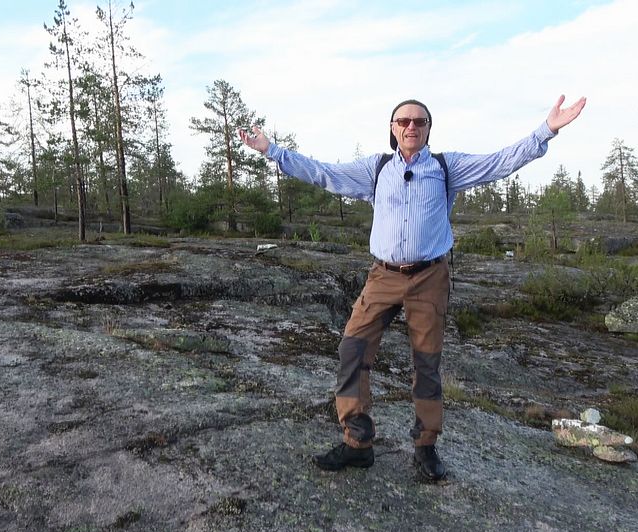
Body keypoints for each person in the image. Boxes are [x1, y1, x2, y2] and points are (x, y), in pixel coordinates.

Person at [239, 95, 586, 480]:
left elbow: (499, 163)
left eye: (419, 122)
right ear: (392, 128)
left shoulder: (445, 167)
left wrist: (547, 129)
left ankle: (425, 447)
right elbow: (324, 173)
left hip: (429, 277)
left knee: (426, 363)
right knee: (352, 349)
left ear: (427, 129)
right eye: (403, 121)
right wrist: (272, 151)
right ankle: (357, 442)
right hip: (383, 276)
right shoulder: (376, 169)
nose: (411, 127)